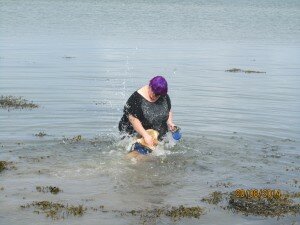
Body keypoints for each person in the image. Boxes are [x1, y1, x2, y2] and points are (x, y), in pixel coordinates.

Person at [119, 76, 176, 148]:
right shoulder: (136, 99)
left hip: (155, 131)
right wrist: (145, 135)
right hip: (135, 131)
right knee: (138, 155)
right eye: (155, 94)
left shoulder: (162, 95)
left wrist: (170, 122)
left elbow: (168, 110)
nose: (156, 97)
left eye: (159, 95)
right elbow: (133, 119)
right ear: (150, 87)